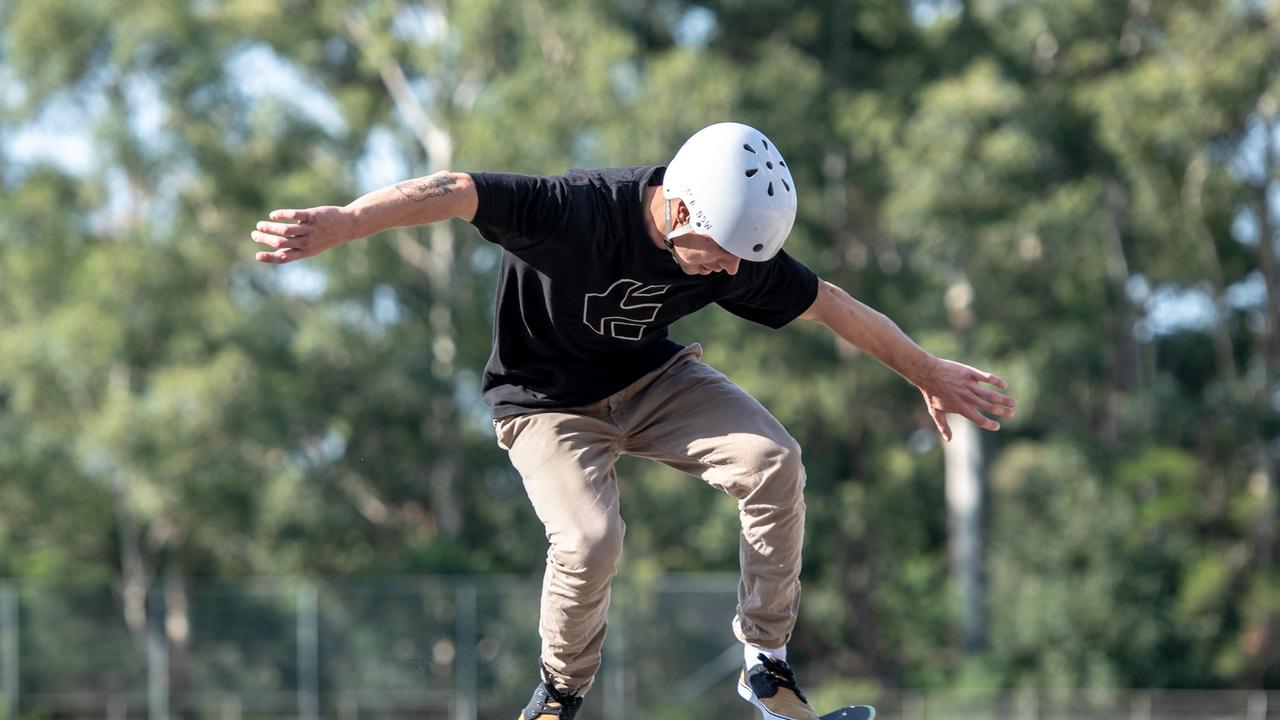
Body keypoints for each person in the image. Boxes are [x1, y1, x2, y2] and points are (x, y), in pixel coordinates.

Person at [250, 122, 1016, 720]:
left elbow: (830, 303)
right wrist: (347, 222)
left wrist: (927, 370)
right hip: (544, 404)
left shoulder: (732, 249)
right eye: (716, 256)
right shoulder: (573, 211)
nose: (725, 273)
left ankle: (766, 660)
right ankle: (558, 692)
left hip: (653, 380)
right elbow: (455, 188)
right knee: (590, 539)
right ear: (680, 208)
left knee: (774, 460)